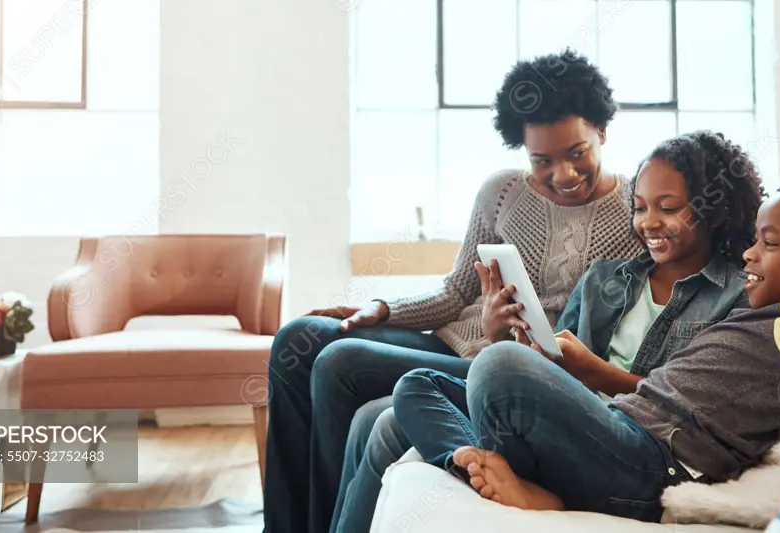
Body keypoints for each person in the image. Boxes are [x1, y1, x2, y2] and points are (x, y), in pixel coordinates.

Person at [392, 176, 780, 522]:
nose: (749, 253)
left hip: (653, 466)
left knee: (502, 364)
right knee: (419, 386)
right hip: (618, 430)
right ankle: (477, 463)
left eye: (769, 243)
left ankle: (525, 480)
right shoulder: (764, 316)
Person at [262, 49, 644, 533]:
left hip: (504, 366)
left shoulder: (637, 211)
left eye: (577, 153)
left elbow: (601, 331)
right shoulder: (502, 192)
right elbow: (455, 290)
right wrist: (381, 308)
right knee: (299, 338)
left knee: (339, 364)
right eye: (542, 160)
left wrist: (505, 336)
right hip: (452, 337)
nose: (562, 175)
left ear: (602, 133)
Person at [330, 128, 767, 532]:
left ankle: (509, 475)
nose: (648, 222)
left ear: (713, 209)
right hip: (561, 419)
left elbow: (683, 405)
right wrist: (512, 339)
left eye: (668, 208)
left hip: (630, 440)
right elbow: (554, 371)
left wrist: (585, 370)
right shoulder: (604, 279)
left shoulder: (737, 296)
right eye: (640, 207)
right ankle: (476, 462)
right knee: (406, 397)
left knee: (432, 397)